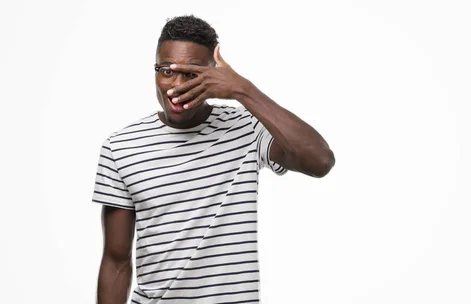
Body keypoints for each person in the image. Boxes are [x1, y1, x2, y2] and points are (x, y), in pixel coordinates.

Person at [92, 15, 335, 304]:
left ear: (215, 75)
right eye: (166, 71)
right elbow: (115, 260)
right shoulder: (121, 147)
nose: (176, 86)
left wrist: (243, 90)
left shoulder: (247, 129)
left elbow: (319, 161)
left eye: (192, 74)